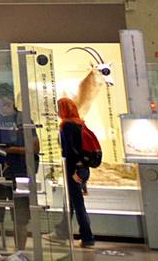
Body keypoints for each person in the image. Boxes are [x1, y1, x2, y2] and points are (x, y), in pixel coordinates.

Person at [0, 82, 37, 259]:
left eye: (5, 104)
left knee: (20, 218)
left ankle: (20, 254)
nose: (2, 108)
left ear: (12, 101)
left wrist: (11, 150)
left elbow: (34, 148)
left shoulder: (23, 120)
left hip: (19, 174)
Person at [45, 97, 96, 249]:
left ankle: (87, 238)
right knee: (72, 203)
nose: (57, 112)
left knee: (77, 204)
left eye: (58, 108)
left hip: (74, 170)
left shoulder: (67, 126)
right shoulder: (79, 123)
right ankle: (62, 232)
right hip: (83, 169)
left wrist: (72, 172)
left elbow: (69, 152)